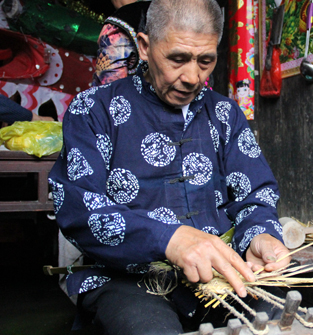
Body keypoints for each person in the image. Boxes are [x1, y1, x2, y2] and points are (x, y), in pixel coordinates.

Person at [48, 0, 290, 334]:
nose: (192, 77)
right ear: (145, 47)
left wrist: (260, 233)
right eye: (178, 59)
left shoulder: (225, 114)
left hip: (217, 275)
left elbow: (255, 193)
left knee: (273, 316)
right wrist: (169, 240)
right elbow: (77, 207)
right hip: (127, 280)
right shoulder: (94, 110)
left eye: (206, 61)